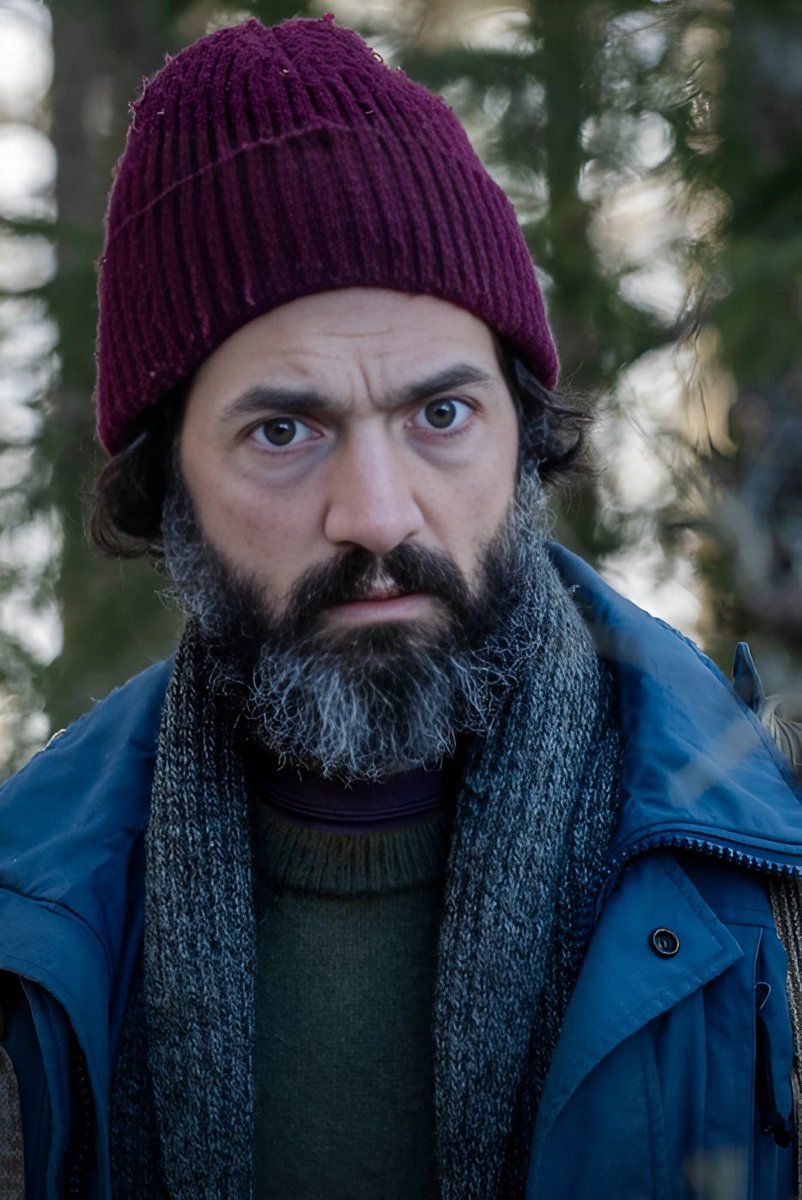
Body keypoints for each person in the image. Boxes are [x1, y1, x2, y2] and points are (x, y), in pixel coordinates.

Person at [1, 14, 801, 1200]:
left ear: (523, 435)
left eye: (440, 415)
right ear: (166, 484)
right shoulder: (27, 919)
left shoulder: (771, 875)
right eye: (284, 429)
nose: (377, 516)